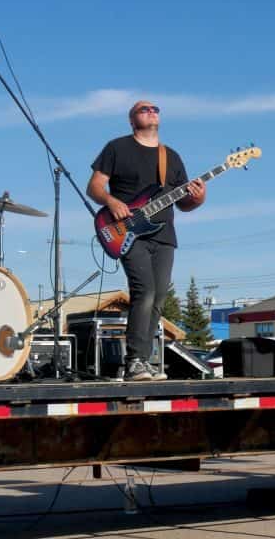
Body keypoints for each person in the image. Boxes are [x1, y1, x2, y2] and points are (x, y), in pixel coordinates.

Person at [88, 101, 206, 381]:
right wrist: (111, 201)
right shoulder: (117, 148)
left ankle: (144, 360)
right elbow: (94, 186)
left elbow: (184, 203)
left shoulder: (171, 157)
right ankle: (134, 362)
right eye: (143, 109)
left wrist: (198, 198)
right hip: (127, 232)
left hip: (164, 235)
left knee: (159, 298)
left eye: (155, 108)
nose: (151, 111)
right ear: (132, 120)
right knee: (145, 292)